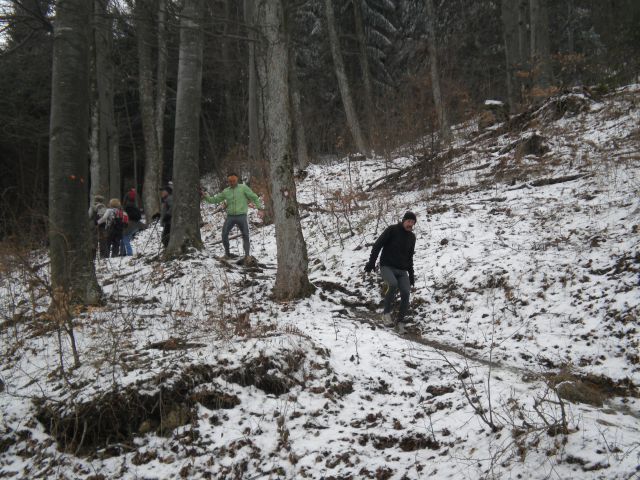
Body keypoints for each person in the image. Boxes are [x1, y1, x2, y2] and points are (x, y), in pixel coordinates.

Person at [365, 211, 417, 333]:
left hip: (402, 270)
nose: (410, 224)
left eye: (413, 223)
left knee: (406, 292)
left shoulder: (412, 237)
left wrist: (411, 275)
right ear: (403, 220)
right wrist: (371, 263)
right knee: (393, 284)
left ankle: (399, 322)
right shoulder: (392, 230)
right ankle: (386, 313)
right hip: (387, 266)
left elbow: (410, 257)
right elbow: (377, 245)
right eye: (409, 221)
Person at [202, 173, 264, 259]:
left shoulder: (243, 188)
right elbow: (215, 199)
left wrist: (260, 209)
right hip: (230, 217)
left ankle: (247, 256)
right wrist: (206, 196)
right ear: (228, 181)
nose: (232, 183)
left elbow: (253, 197)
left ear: (237, 179)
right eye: (230, 181)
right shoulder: (226, 191)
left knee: (245, 235)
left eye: (233, 180)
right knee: (224, 234)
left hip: (242, 216)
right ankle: (227, 254)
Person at [122, 191, 144, 256]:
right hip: (136, 224)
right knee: (125, 238)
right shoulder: (135, 206)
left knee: (125, 238)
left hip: (130, 224)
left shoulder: (127, 207)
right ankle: (123, 252)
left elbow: (126, 216)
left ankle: (129, 253)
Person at [88, 194, 108, 259]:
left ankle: (92, 256)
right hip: (102, 226)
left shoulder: (92, 207)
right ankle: (103, 256)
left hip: (93, 225)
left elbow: (89, 215)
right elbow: (105, 218)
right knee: (102, 241)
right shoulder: (103, 207)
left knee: (93, 241)